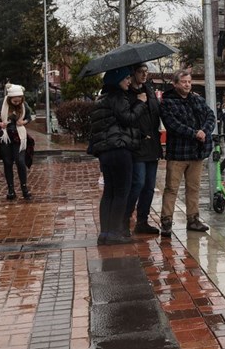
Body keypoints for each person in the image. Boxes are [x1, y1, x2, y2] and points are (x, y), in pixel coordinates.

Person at [87, 67, 146, 245]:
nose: (129, 81)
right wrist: (140, 102)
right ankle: (115, 233)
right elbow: (127, 118)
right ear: (117, 80)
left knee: (109, 193)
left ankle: (105, 233)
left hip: (105, 152)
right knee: (122, 192)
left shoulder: (101, 99)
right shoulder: (118, 97)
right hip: (120, 149)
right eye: (126, 78)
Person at [159, 69, 216, 236]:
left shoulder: (197, 99)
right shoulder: (167, 102)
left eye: (189, 82)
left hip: (196, 153)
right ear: (175, 84)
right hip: (178, 153)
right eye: (184, 82)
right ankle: (166, 221)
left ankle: (193, 219)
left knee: (194, 188)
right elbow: (172, 124)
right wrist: (194, 133)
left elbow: (210, 116)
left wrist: (204, 131)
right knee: (171, 188)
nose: (187, 85)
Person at [124, 64, 163, 236]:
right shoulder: (127, 93)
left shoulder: (149, 89)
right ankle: (125, 218)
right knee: (138, 183)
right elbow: (127, 118)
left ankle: (142, 220)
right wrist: (139, 101)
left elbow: (156, 113)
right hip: (137, 144)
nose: (144, 75)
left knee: (149, 186)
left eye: (146, 72)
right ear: (133, 73)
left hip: (152, 144)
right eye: (141, 72)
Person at [0, 83, 34, 200]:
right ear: (9, 98)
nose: (17, 103)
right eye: (15, 101)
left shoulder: (24, 105)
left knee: (20, 161)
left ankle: (24, 188)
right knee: (7, 162)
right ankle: (11, 190)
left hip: (19, 136)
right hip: (5, 137)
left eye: (19, 101)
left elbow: (29, 116)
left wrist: (24, 122)